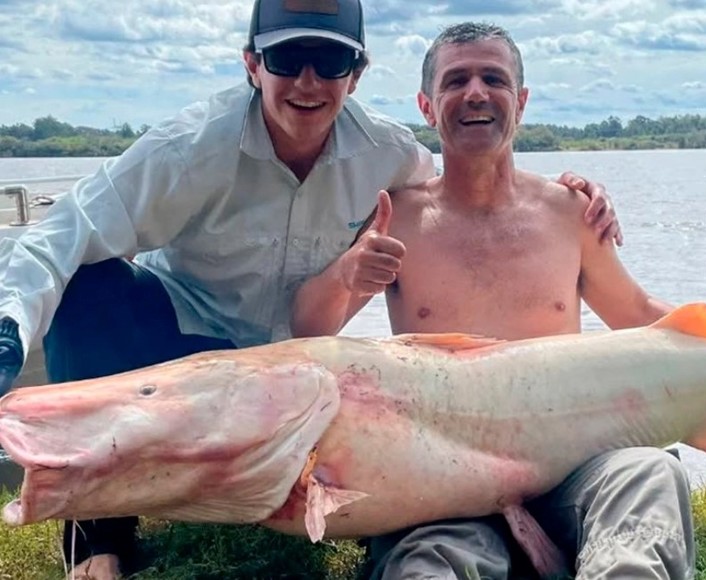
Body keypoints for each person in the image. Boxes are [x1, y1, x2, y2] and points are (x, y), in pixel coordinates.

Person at [0, 4, 621, 580]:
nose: (307, 81)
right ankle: (96, 532)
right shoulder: (187, 149)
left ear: (356, 74)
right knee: (87, 283)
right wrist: (8, 334)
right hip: (181, 340)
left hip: (296, 364)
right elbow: (61, 233)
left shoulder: (390, 157)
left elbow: (467, 187)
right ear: (252, 64)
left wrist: (565, 196)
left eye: (329, 61)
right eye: (285, 58)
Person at [294, 22, 706, 579]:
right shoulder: (398, 217)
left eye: (494, 79)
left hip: (576, 465)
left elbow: (636, 316)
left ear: (521, 101)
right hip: (444, 481)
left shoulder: (570, 211)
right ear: (426, 106)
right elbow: (309, 330)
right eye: (455, 81)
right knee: (429, 563)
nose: (475, 93)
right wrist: (347, 274)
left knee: (650, 474)